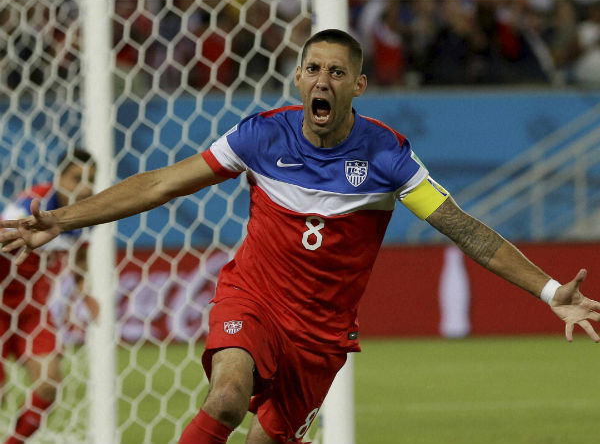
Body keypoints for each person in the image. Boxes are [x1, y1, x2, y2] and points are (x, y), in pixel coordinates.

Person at [0, 29, 598, 444]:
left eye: (337, 72)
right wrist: (61, 220)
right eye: (313, 69)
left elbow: (465, 230)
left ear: (358, 85)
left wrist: (550, 292)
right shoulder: (260, 136)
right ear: (297, 78)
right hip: (253, 299)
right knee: (226, 396)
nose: (322, 81)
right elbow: (160, 185)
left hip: (320, 335)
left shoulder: (388, 156)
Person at [0, 148, 98, 444]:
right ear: (59, 178)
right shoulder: (29, 206)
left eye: (91, 180)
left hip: (32, 309)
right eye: (77, 179)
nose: (85, 188)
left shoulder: (88, 214)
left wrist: (84, 292)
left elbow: (81, 257)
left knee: (49, 384)